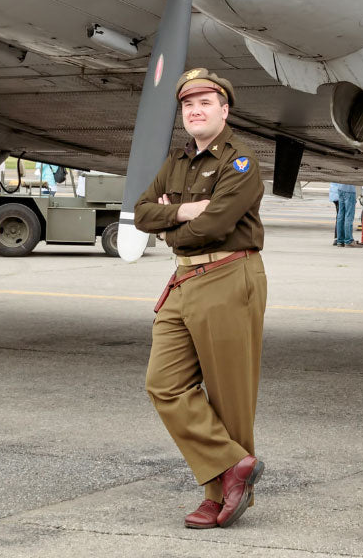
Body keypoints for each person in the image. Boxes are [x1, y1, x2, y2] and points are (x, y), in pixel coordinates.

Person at [136, 69, 266, 530]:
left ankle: (219, 496)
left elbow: (213, 226)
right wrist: (183, 211)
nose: (195, 109)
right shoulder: (177, 160)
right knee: (163, 383)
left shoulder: (241, 162)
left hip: (230, 274)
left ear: (224, 110)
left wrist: (171, 219)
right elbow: (140, 212)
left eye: (206, 102)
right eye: (188, 103)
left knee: (229, 395)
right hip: (185, 278)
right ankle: (233, 466)